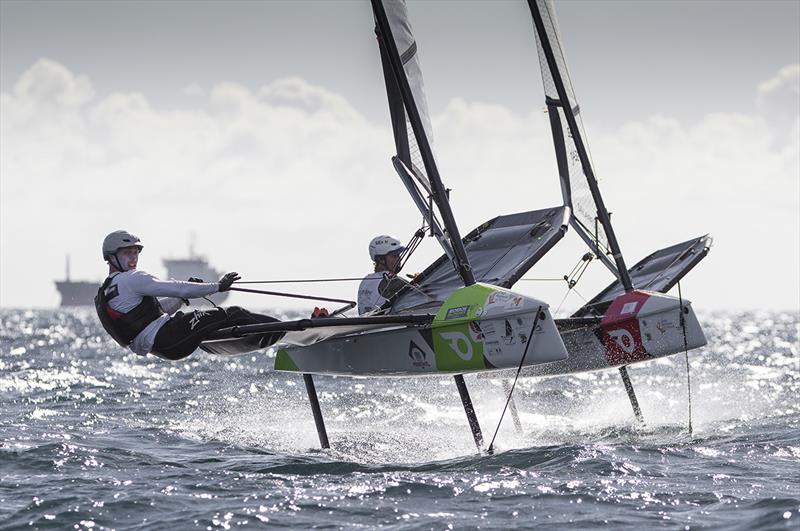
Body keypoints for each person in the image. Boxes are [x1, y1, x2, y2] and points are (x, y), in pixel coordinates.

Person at [95, 230, 283, 360]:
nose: (133, 259)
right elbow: (178, 287)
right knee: (234, 314)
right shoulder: (131, 279)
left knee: (214, 322)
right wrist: (218, 286)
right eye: (128, 253)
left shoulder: (108, 290)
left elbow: (157, 311)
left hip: (165, 347)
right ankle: (286, 330)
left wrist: (182, 299)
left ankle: (276, 332)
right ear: (111, 257)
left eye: (136, 253)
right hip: (169, 336)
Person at [357, 235, 409, 315]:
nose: (399, 259)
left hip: (371, 325)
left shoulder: (366, 280)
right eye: (394, 256)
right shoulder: (391, 281)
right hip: (391, 326)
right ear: (381, 259)